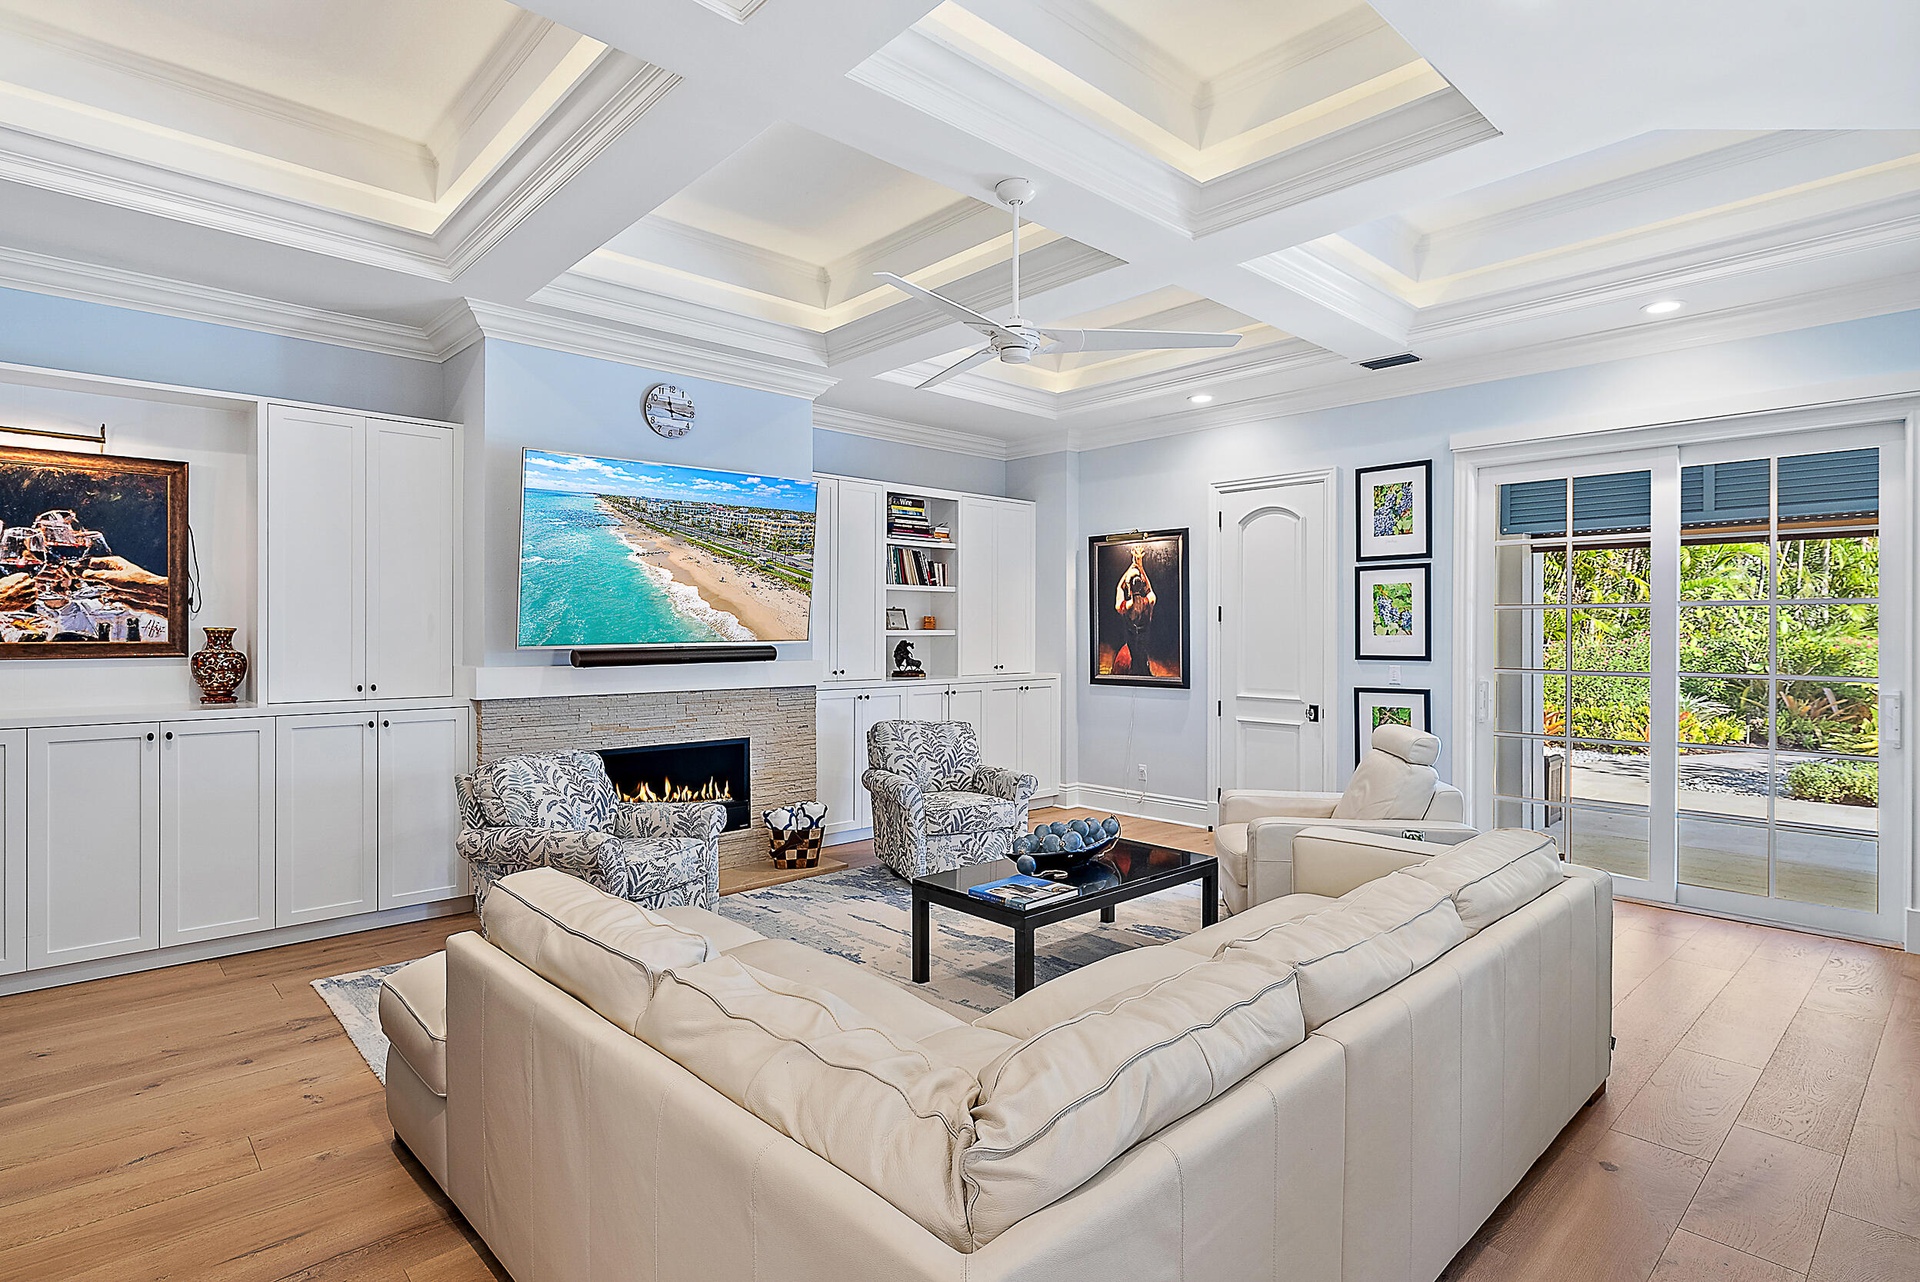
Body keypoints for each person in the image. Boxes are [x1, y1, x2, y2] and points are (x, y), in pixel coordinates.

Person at [1112, 544, 1156, 676]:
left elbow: (1119, 588)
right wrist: (1140, 566)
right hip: (1142, 653)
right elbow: (1149, 589)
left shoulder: (1125, 606)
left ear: (1129, 586)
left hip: (1129, 655)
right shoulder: (1149, 601)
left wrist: (1132, 566)